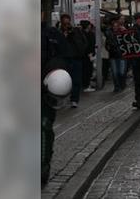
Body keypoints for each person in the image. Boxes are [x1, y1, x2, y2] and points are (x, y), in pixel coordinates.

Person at [41, 12, 64, 186]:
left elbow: (63, 59)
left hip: (45, 91)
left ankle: (42, 166)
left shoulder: (52, 35)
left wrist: (55, 76)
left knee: (44, 128)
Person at [57, 14, 87, 108]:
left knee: (76, 80)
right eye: (64, 24)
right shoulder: (59, 32)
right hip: (64, 59)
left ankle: (74, 99)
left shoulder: (76, 31)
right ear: (61, 23)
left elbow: (84, 42)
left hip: (76, 58)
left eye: (68, 23)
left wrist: (72, 34)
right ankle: (64, 99)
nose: (66, 26)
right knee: (64, 81)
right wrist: (63, 36)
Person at [104, 17, 128, 92]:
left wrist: (125, 32)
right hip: (113, 55)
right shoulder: (109, 33)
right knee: (115, 72)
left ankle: (122, 85)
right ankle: (117, 86)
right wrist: (110, 48)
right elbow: (107, 44)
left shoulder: (122, 31)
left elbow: (128, 40)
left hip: (122, 55)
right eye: (114, 25)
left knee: (121, 72)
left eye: (116, 25)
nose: (115, 27)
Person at [80, 20, 96, 92]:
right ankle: (86, 85)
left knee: (85, 70)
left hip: (83, 55)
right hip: (88, 54)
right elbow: (91, 44)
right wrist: (91, 53)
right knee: (88, 70)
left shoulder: (80, 33)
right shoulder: (90, 34)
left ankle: (85, 85)